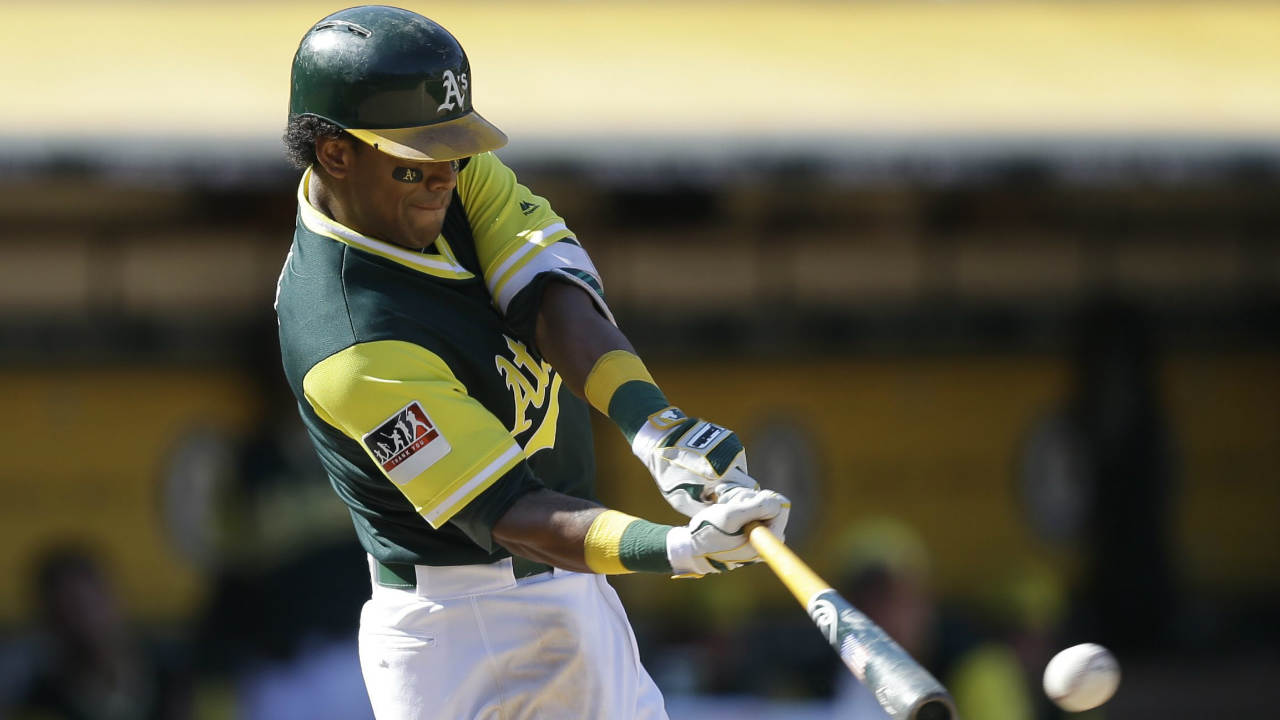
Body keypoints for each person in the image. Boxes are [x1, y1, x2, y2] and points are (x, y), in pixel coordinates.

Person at [274, 7, 790, 720]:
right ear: (336, 153)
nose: (445, 175)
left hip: (565, 590)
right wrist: (675, 548)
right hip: (471, 630)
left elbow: (553, 301)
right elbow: (510, 510)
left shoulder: (451, 176)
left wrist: (656, 431)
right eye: (418, 158)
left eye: (452, 150)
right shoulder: (348, 339)